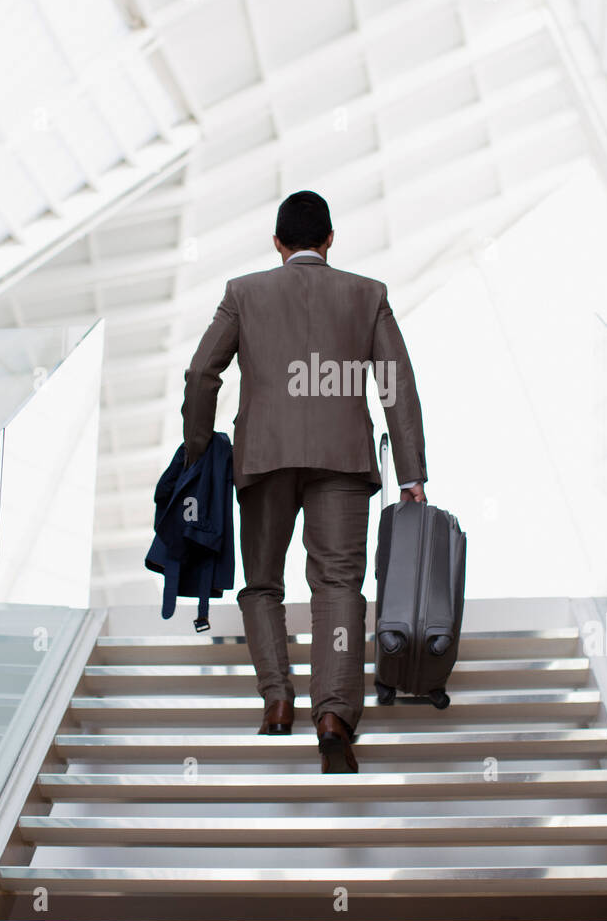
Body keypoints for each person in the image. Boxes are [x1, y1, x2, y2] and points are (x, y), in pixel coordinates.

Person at [181, 190, 427, 773]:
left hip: (264, 457)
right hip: (342, 460)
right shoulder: (368, 295)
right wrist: (412, 474)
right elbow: (397, 386)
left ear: (277, 243)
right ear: (330, 240)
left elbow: (200, 373)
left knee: (263, 584)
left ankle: (276, 700)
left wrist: (197, 451)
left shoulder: (243, 293)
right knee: (338, 586)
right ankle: (334, 715)